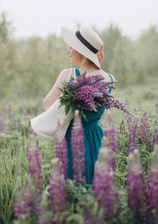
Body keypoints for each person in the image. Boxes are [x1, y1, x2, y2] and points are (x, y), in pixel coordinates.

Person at [43, 26, 114, 185]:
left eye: (70, 47)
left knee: (74, 188)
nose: (68, 51)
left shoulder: (68, 75)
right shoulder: (109, 78)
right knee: (99, 188)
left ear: (81, 51)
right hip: (97, 138)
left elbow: (48, 104)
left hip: (73, 139)